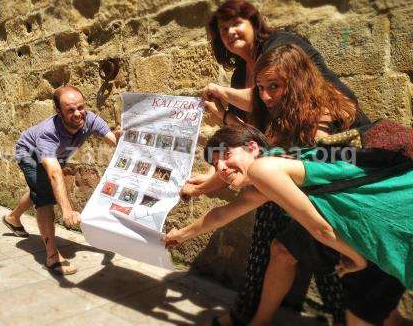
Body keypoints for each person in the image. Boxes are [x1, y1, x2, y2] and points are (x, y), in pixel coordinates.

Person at [186, 26, 406, 325]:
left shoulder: (320, 119)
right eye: (260, 88)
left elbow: (265, 176)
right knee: (284, 251)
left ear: (297, 80)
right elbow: (260, 155)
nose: (264, 96)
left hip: (367, 217)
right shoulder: (291, 118)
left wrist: (354, 256)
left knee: (366, 310)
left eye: (272, 87)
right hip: (348, 211)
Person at [165, 125, 413, 318]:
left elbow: (321, 229)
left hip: (393, 209)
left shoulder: (262, 170)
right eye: (216, 163)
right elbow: (220, 215)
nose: (221, 168)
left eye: (227, 156)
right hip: (390, 208)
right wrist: (181, 235)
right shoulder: (268, 172)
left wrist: (357, 260)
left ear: (252, 147)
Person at [2, 85, 120, 275]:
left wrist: (120, 139)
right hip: (29, 153)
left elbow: (111, 139)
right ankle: (51, 257)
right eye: (70, 110)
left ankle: (12, 218)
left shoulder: (90, 119)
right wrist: (66, 210)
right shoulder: (48, 132)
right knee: (45, 198)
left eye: (81, 107)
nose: (78, 114)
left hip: (59, 154)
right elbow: (55, 173)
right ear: (58, 111)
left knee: (40, 190)